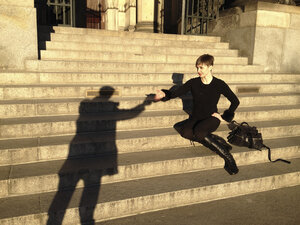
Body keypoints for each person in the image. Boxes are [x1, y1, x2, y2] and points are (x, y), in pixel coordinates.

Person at [154, 54, 240, 175]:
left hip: (211, 118)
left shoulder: (219, 84)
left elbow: (235, 101)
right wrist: (164, 94)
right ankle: (217, 141)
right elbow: (175, 93)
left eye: (201, 68)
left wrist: (224, 117)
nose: (198, 71)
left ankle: (228, 158)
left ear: (210, 67)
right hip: (196, 117)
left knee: (199, 133)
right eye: (197, 68)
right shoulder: (193, 83)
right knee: (185, 132)